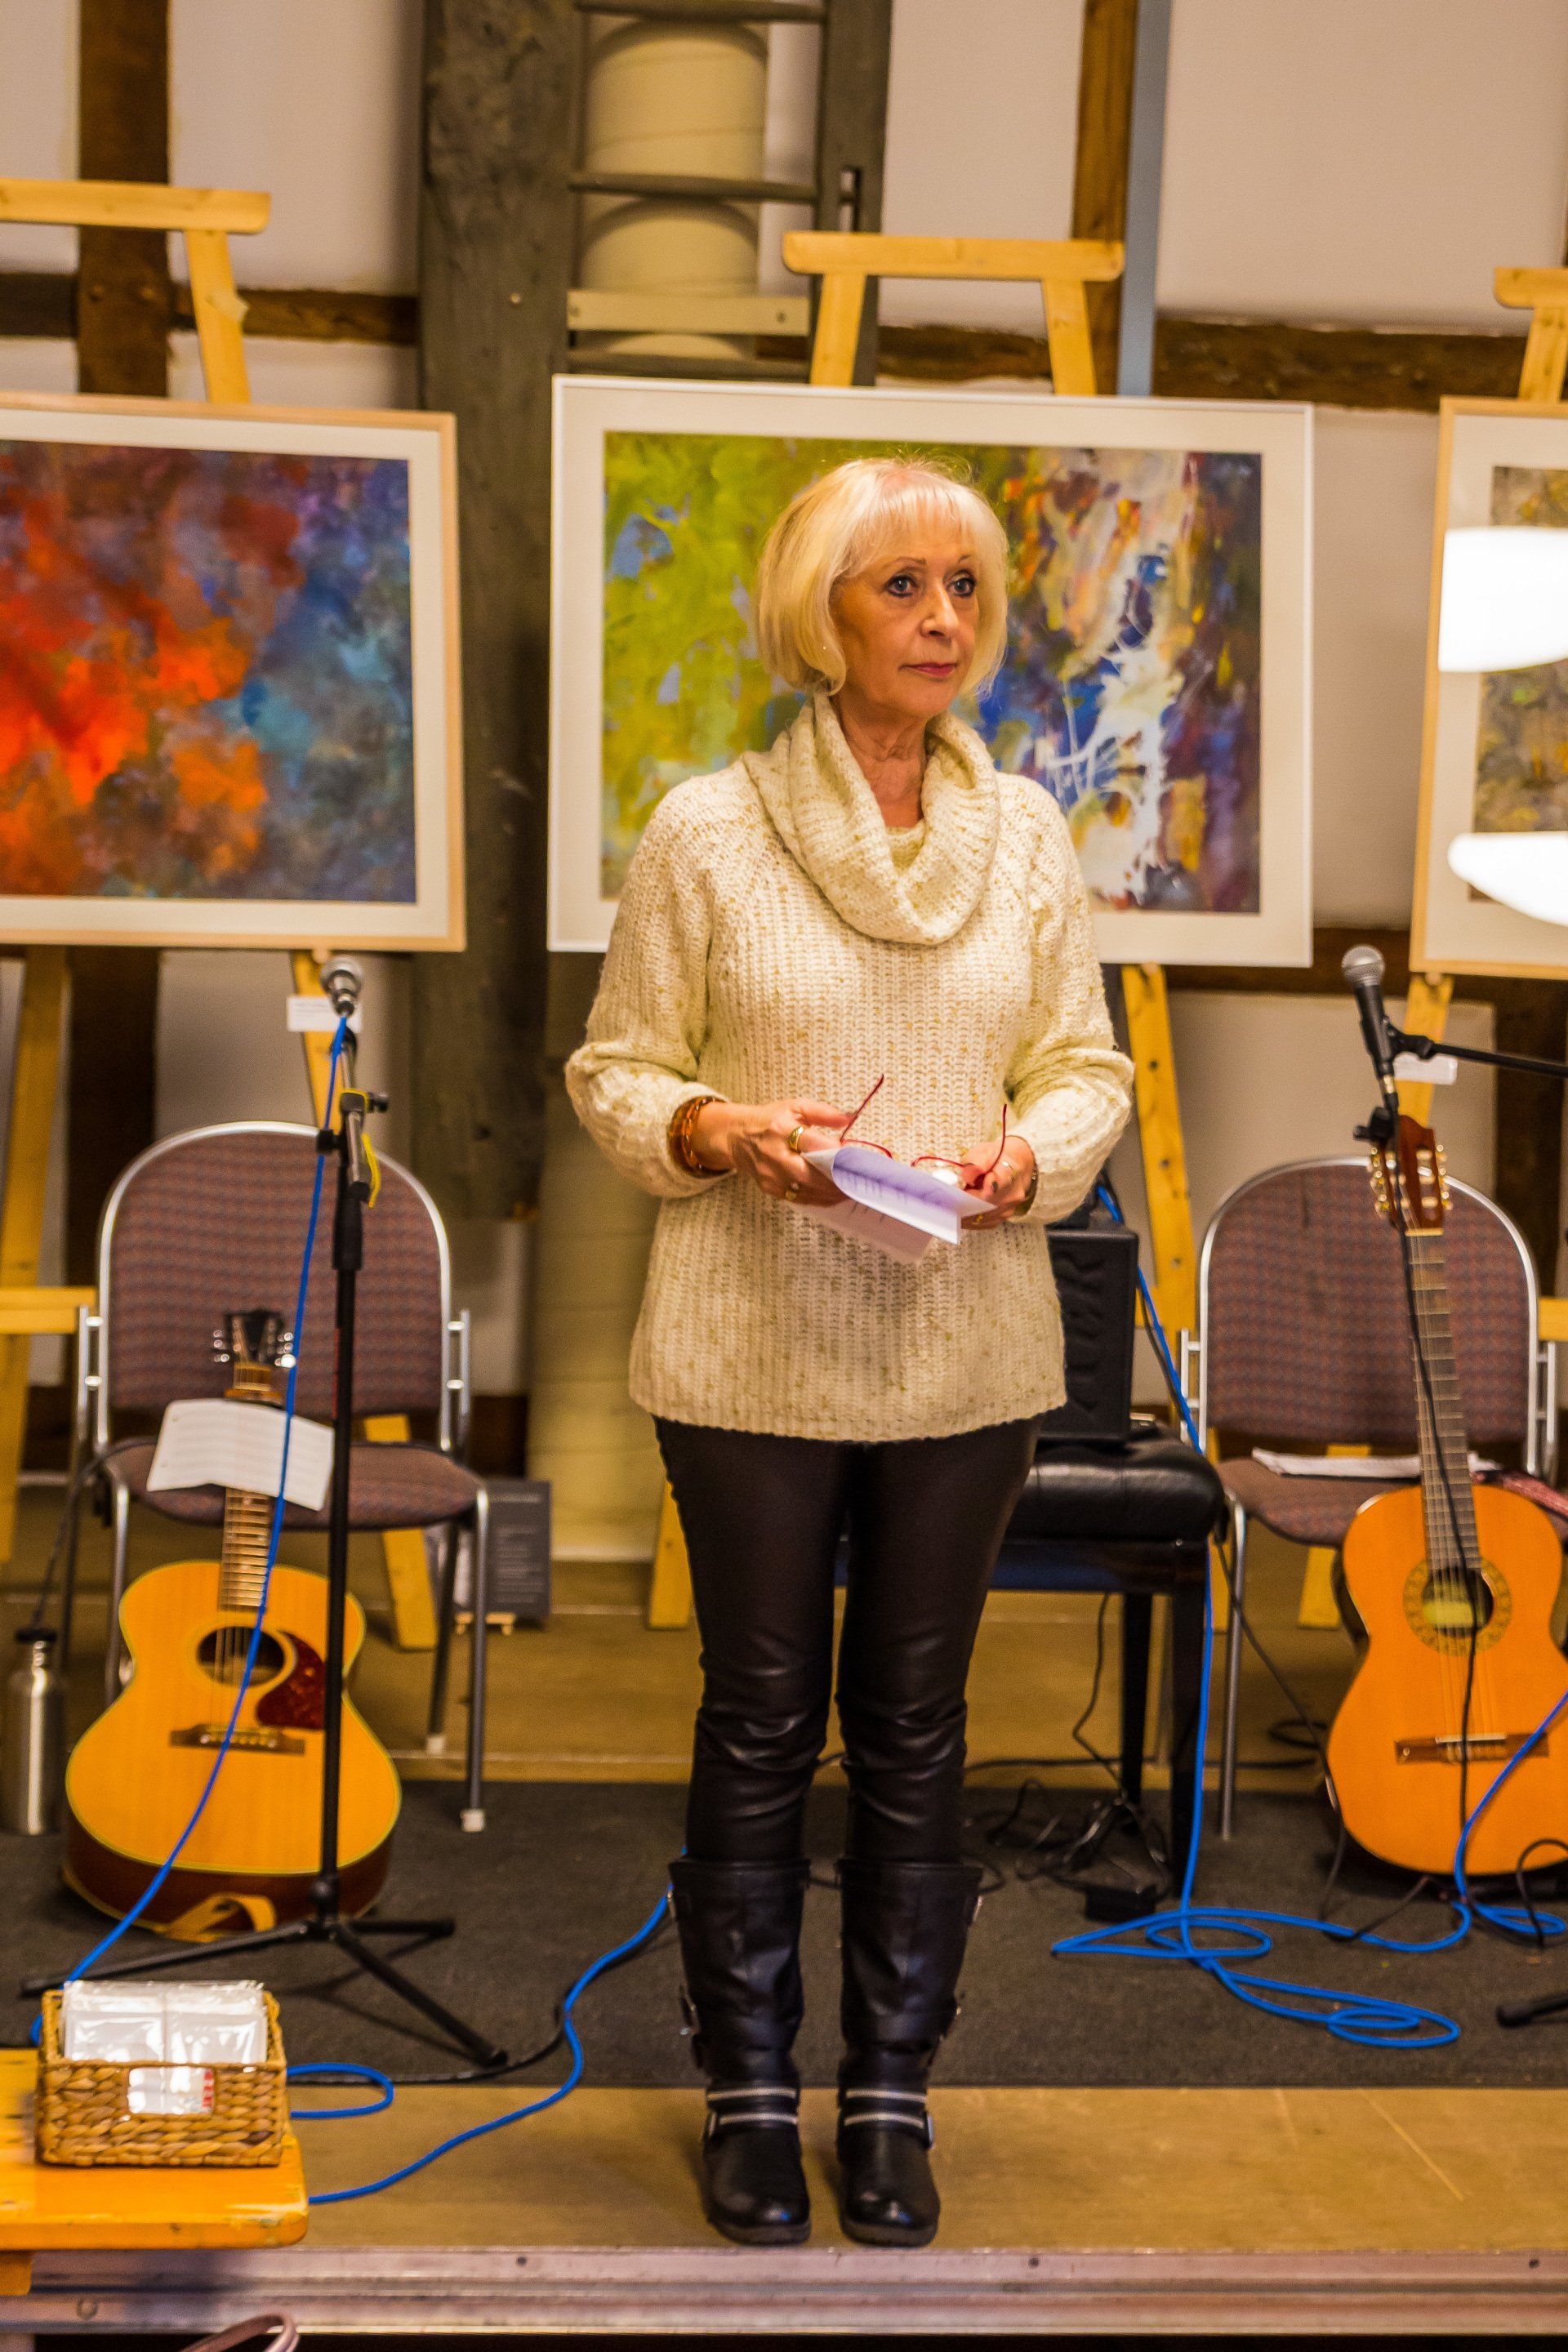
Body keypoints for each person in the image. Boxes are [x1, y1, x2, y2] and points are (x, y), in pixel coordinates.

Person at [566, 457, 1133, 2249]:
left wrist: (1029, 1157)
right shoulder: (707, 830)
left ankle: (889, 2092)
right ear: (823, 616)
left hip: (966, 1344)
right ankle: (748, 2088)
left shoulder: (1027, 835)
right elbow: (617, 1069)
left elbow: (1086, 1065)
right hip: (747, 1345)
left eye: (964, 586)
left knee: (916, 1721)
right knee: (758, 1715)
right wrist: (721, 1128)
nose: (944, 618)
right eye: (903, 586)